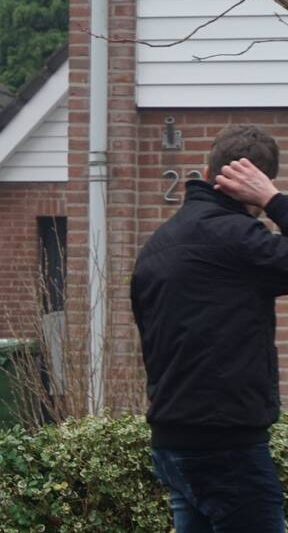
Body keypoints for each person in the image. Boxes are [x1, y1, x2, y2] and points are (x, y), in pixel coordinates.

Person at [132, 124, 288, 532]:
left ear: (208, 169)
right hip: (226, 444)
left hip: (173, 439)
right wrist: (274, 201)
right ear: (256, 182)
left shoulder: (160, 241)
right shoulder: (237, 239)